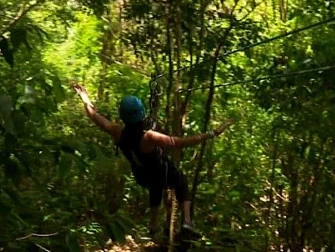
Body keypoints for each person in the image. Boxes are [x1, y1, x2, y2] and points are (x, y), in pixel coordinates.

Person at [72, 84, 233, 237]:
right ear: (141, 113)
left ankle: (153, 225)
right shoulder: (148, 137)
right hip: (160, 172)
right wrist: (213, 133)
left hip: (142, 176)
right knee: (181, 182)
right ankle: (187, 222)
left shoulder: (117, 132)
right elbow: (179, 142)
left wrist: (85, 98)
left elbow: (95, 117)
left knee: (155, 185)